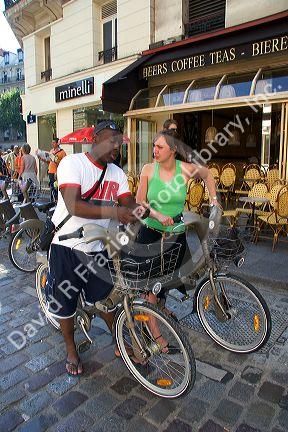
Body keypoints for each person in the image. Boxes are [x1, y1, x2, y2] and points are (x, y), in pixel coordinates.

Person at [46, 120, 145, 376]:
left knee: (106, 301)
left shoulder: (117, 173)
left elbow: (128, 204)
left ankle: (121, 342)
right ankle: (70, 348)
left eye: (120, 143)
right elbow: (73, 205)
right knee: (65, 305)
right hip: (68, 245)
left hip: (99, 248)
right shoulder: (72, 163)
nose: (117, 147)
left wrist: (146, 211)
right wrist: (116, 211)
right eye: (112, 140)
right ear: (95, 139)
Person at [136, 129, 219, 328]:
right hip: (151, 235)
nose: (154, 150)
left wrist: (214, 201)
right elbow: (139, 201)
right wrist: (157, 214)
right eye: (154, 146)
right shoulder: (148, 169)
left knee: (169, 280)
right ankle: (154, 335)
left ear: (173, 150)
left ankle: (161, 308)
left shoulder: (185, 169)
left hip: (176, 235)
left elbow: (207, 173)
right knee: (151, 288)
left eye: (159, 147)